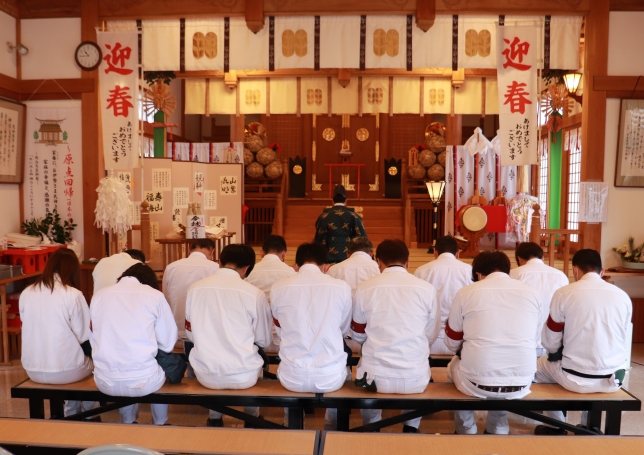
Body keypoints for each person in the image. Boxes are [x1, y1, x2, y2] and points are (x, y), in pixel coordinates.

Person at [534, 249, 632, 435]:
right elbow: (622, 334)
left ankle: (555, 425)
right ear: (601, 272)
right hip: (614, 378)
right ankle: (587, 426)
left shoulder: (564, 293)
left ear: (575, 270)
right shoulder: (623, 296)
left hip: (575, 378)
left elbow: (551, 340)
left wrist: (556, 352)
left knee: (541, 366)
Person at [445, 251, 541, 435]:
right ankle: (498, 427)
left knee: (454, 366)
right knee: (505, 370)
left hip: (475, 382)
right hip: (522, 381)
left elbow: (452, 341)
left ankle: (466, 428)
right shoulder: (532, 293)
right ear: (508, 270)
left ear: (479, 274)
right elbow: (534, 337)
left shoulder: (466, 292)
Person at [351, 239, 440, 433]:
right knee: (417, 361)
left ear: (378, 261)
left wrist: (369, 342)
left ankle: (373, 425)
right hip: (415, 378)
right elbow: (431, 333)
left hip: (375, 378)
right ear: (407, 263)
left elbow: (357, 332)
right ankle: (411, 426)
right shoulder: (426, 289)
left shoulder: (365, 288)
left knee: (366, 366)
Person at [185, 244, 272, 428]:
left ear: (219, 262)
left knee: (213, 358)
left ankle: (215, 418)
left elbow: (190, 335)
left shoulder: (195, 289)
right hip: (244, 375)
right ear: (247, 267)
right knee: (254, 358)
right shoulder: (254, 294)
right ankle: (252, 418)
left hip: (205, 373)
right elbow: (264, 339)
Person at [271, 242, 352, 430]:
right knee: (342, 369)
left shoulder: (279, 287)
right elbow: (344, 328)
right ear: (325, 266)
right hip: (330, 377)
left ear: (296, 266)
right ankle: (332, 428)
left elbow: (280, 327)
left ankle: (290, 427)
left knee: (288, 368)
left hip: (291, 377)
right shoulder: (341, 287)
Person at [90, 263, 178, 425]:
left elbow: (93, 337)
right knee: (160, 365)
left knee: (124, 360)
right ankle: (160, 423)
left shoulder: (99, 296)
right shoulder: (154, 296)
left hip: (104, 380)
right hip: (144, 381)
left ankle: (128, 421)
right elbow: (168, 343)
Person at [19, 248, 98, 418]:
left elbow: (27, 324)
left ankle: (70, 413)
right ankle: (90, 415)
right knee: (93, 362)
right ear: (72, 270)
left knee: (74, 357)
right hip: (67, 371)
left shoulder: (27, 292)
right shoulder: (73, 294)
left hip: (33, 370)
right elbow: (83, 335)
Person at [413, 236, 472, 355]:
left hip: (428, 338)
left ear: (435, 252)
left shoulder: (421, 271)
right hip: (460, 339)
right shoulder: (469, 270)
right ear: (458, 253)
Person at [510, 242, 569, 356]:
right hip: (552, 343)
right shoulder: (560, 276)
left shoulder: (513, 275)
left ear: (519, 259)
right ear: (542, 257)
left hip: (521, 342)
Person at [162, 238, 219, 357]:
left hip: (176, 334)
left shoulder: (171, 267)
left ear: (190, 250)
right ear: (212, 251)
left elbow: (166, 299)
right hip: (205, 333)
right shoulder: (215, 268)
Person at [314, 185, 367, 264]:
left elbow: (319, 240)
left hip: (329, 261)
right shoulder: (354, 216)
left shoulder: (324, 216)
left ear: (332, 200)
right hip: (350, 260)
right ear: (346, 200)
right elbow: (362, 239)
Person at [245, 234, 295, 302]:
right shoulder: (291, 272)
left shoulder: (249, 271)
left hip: (255, 311)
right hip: (281, 312)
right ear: (284, 254)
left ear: (261, 253)